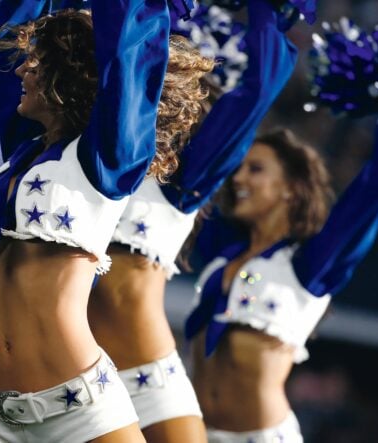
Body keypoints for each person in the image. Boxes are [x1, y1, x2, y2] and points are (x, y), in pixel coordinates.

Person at [0, 0, 210, 440]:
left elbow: (124, 55)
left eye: (37, 63)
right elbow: (9, 39)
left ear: (69, 77)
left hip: (74, 406)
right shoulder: (27, 149)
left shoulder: (105, 160)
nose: (22, 70)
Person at [88, 1, 296, 441]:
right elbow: (114, 53)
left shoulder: (184, 177)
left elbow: (257, 89)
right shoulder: (97, 151)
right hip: (77, 369)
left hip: (145, 377)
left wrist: (264, 11)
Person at [184, 86, 378, 442]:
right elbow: (211, 159)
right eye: (241, 169)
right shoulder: (222, 250)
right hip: (195, 432)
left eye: (256, 169)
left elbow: (375, 189)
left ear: (290, 187)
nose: (240, 178)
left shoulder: (308, 263)